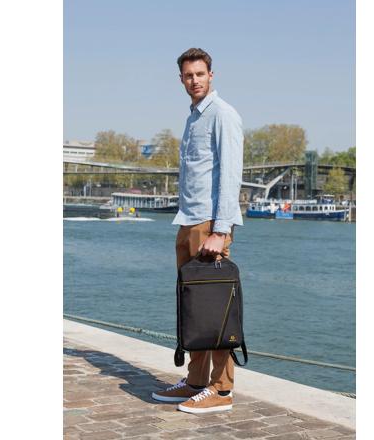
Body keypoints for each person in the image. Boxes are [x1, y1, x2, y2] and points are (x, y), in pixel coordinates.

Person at [151, 48, 243, 414]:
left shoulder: (223, 115)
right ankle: (196, 381)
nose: (194, 81)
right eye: (188, 76)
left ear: (211, 75)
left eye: (200, 74)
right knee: (194, 309)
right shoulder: (193, 118)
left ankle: (221, 389)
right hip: (188, 221)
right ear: (181, 79)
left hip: (209, 225)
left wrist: (221, 230)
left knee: (215, 307)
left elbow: (231, 175)